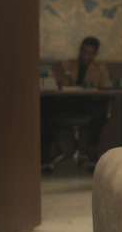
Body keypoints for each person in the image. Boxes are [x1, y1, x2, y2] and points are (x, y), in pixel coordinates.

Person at [41, 36, 112, 170]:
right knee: (44, 106)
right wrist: (60, 83)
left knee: (101, 107)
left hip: (87, 103)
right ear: (80, 50)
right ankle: (53, 147)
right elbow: (56, 82)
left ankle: (92, 147)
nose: (85, 56)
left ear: (95, 54)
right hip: (67, 102)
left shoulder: (100, 69)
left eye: (89, 53)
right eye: (83, 52)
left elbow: (106, 87)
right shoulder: (65, 65)